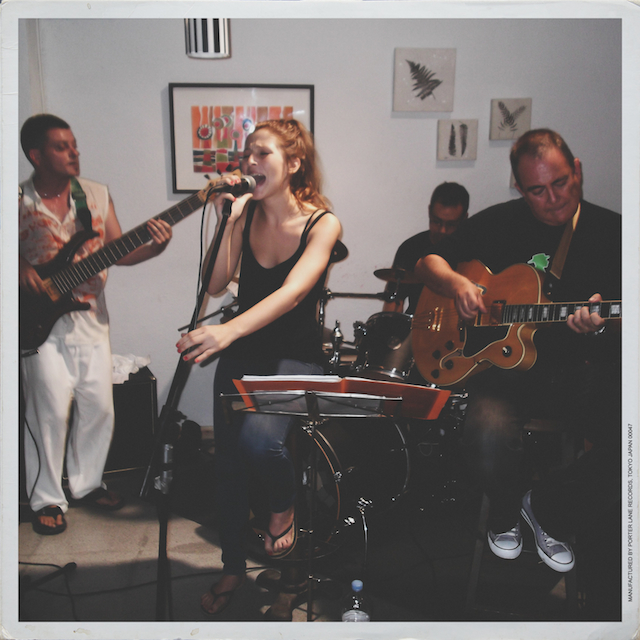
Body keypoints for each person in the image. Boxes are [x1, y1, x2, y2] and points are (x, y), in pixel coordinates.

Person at [415, 129, 621, 582]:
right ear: (518, 187)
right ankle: (506, 510)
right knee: (485, 432)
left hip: (581, 372)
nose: (553, 198)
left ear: (577, 170)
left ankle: (547, 509)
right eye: (537, 190)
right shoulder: (497, 223)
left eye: (561, 182)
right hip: (503, 373)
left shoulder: (615, 233)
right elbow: (427, 263)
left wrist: (602, 325)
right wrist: (458, 285)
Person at [176, 119, 341, 615]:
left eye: (262, 153)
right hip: (245, 351)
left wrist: (227, 331)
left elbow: (293, 294)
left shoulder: (322, 223)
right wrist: (228, 220)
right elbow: (215, 284)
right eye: (246, 153)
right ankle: (231, 568)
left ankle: (282, 508)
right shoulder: (244, 215)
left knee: (258, 441)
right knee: (227, 465)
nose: (249, 162)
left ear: (293, 163)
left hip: (296, 356)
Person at [19, 114, 173, 535]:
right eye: (62, 146)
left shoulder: (95, 195)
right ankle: (47, 498)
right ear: (36, 155)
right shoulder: (15, 200)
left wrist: (155, 249)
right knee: (49, 411)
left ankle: (86, 484)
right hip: (37, 323)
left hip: (91, 317)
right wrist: (18, 266)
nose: (74, 152)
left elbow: (118, 250)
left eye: (74, 144)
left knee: (99, 408)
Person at [383, 182, 469, 314]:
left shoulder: (473, 250)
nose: (442, 230)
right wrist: (389, 325)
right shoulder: (410, 248)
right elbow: (394, 301)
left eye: (451, 225)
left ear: (464, 219)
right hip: (417, 323)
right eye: (436, 221)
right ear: (429, 211)